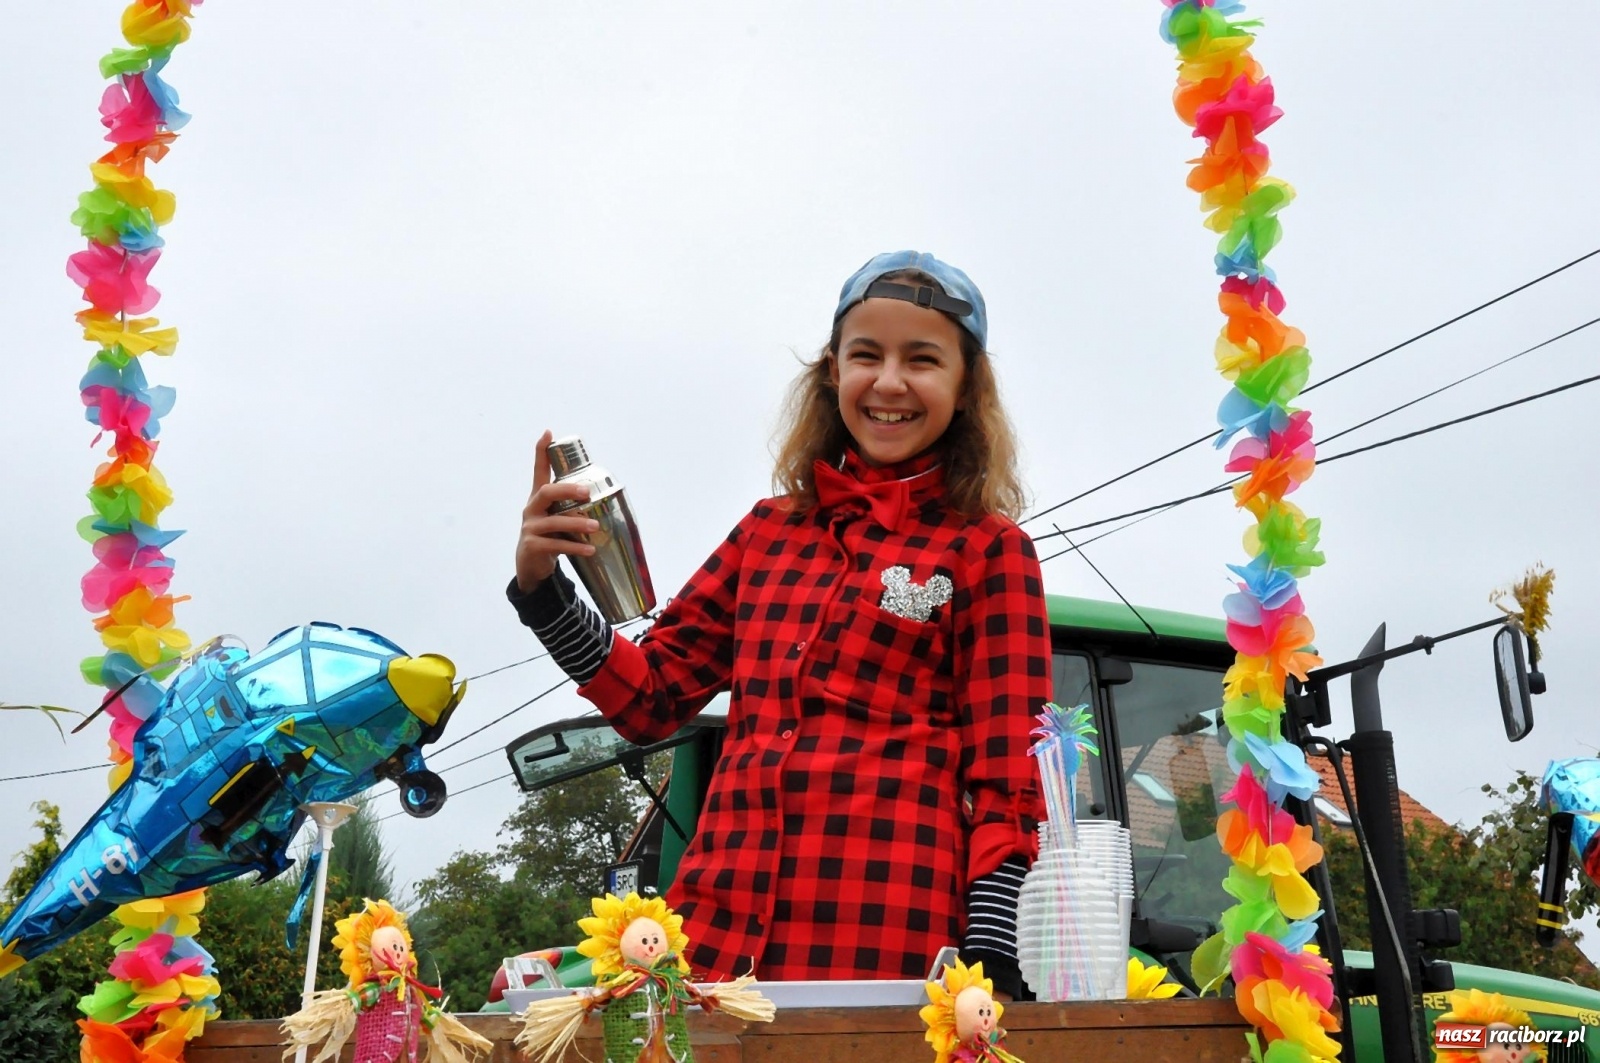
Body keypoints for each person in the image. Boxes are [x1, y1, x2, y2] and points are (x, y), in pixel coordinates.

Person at [507, 251, 1052, 996]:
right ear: (834, 372)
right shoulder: (768, 531)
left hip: (882, 948)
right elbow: (652, 696)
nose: (889, 382)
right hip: (714, 947)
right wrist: (544, 591)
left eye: (922, 359)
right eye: (867, 355)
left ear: (965, 388)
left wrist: (991, 949)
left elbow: (1008, 777)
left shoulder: (989, 549)